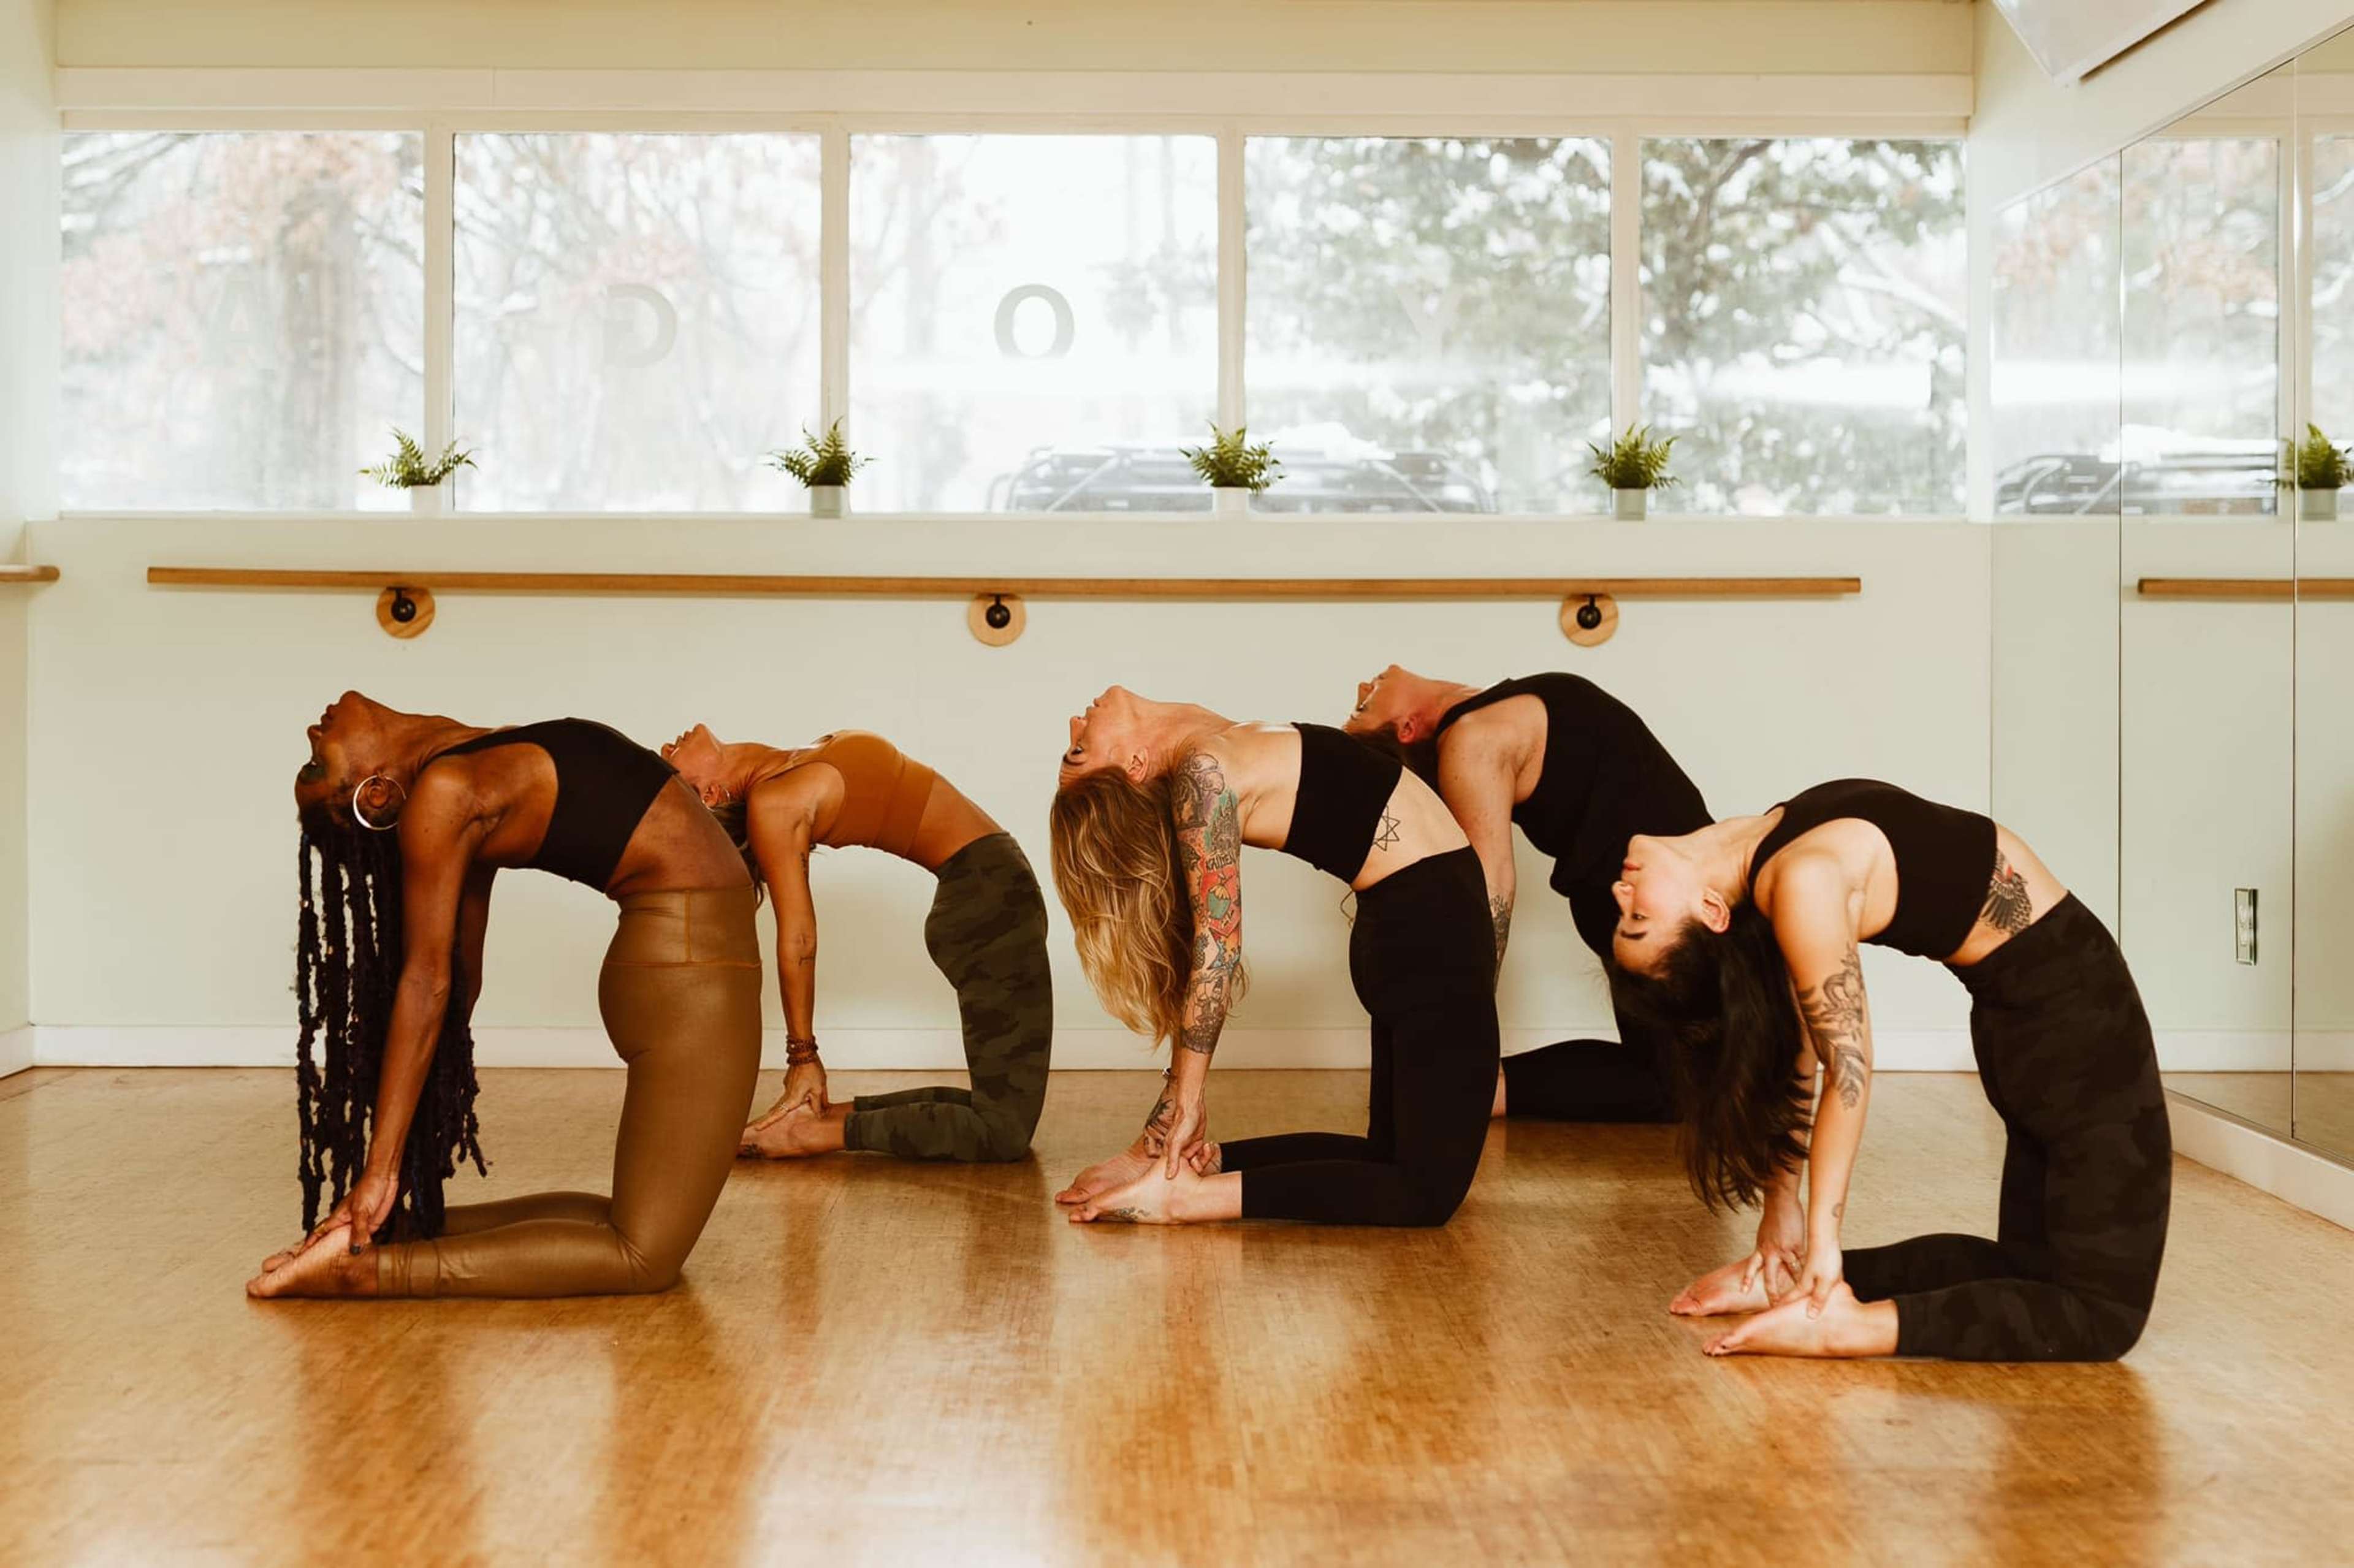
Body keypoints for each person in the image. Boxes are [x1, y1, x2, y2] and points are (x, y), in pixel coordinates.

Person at [1609, 778, 2170, 1361]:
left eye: (1627, 914)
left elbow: (1802, 1042)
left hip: (2036, 1034)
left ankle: (1802, 1288)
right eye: (1638, 916)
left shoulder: (1770, 857)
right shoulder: (1800, 881)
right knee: (2103, 1317)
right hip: (2078, 1024)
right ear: (1710, 910)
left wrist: (1788, 1227)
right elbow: (1845, 1067)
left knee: (2028, 1272)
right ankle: (1843, 1324)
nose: (1621, 891)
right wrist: (1815, 1244)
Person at [247, 696, 762, 1298]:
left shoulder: (466, 766)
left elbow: (460, 980)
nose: (313, 730)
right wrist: (382, 1168)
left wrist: (393, 1169)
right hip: (692, 968)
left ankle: (388, 1236)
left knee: (623, 1222)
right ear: (376, 794)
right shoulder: (447, 792)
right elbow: (429, 981)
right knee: (644, 1258)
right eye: (317, 765)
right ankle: (363, 1272)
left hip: (683, 960)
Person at [1048, 686, 1499, 1226]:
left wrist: (1154, 1145)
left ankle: (1198, 1170)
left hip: (1415, 929)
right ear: (1135, 765)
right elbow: (1216, 947)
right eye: (1079, 749)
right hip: (1432, 933)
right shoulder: (1204, 772)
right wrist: (1188, 1100)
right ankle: (1187, 1200)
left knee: (1391, 1160)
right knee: (1423, 1195)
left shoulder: (1208, 746)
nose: (1075, 723)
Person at [658, 725, 1051, 1163]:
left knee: (996, 1112)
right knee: (1003, 1133)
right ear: (709, 795)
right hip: (990, 902)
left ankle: (817, 1122)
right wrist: (802, 1057)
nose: (668, 745)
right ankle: (810, 1134)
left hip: (989, 895)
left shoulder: (791, 764)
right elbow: (798, 937)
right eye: (667, 760)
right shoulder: (776, 803)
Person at [1346, 665, 1709, 1121]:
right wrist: (1466, 1032)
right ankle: (1470, 1089)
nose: (1364, 686)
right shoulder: (1471, 741)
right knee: (1678, 1085)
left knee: (1674, 1078)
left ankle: (1469, 1088)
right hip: (1651, 906)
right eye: (1364, 707)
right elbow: (1489, 887)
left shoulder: (1483, 714)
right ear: (1406, 727)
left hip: (1661, 891)